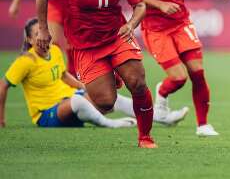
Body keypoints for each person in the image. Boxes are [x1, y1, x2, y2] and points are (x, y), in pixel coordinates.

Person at [35, 0, 157, 148]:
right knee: (105, 102)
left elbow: (140, 4)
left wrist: (131, 24)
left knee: (138, 82)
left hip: (117, 37)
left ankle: (145, 137)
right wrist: (43, 29)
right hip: (87, 47)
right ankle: (113, 75)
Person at [131, 0, 229, 137]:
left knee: (198, 72)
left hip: (181, 23)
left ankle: (203, 125)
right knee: (178, 77)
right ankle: (161, 96)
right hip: (155, 27)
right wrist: (160, 4)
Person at [0, 19, 187, 128]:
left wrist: (85, 87)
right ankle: (110, 124)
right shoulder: (26, 61)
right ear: (30, 39)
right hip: (46, 113)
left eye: (45, 33)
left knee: (114, 99)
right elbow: (3, 85)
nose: (43, 39)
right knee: (78, 101)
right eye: (37, 35)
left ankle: (162, 118)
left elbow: (64, 76)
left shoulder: (55, 51)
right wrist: (1, 118)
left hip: (69, 100)